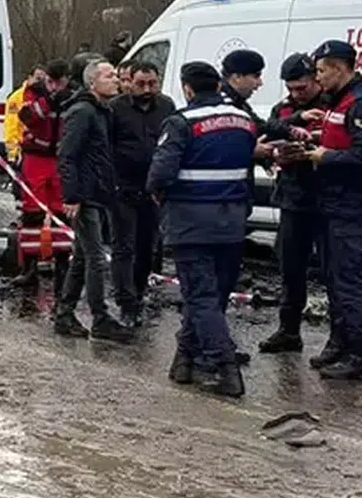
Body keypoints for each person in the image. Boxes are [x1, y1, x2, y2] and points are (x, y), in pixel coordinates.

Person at [148, 61, 256, 397]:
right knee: (214, 296)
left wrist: (159, 195)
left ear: (187, 88)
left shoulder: (181, 122)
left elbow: (160, 174)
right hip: (233, 220)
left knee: (200, 296)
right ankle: (184, 359)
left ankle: (225, 367)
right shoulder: (243, 120)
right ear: (218, 85)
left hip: (191, 221)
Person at [53, 60, 134, 342]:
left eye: (115, 75)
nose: (116, 80)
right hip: (84, 196)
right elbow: (67, 155)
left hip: (97, 193)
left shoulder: (102, 111)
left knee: (83, 257)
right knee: (96, 258)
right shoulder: (83, 112)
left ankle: (64, 313)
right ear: (92, 83)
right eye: (109, 76)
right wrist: (72, 196)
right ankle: (100, 317)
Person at [259, 53, 328, 355]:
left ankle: (341, 339)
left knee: (334, 271)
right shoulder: (284, 109)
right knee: (290, 267)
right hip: (293, 198)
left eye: (302, 88)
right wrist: (275, 155)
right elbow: (268, 131)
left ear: (316, 79)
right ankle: (288, 330)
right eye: (291, 89)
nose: (297, 94)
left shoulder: (331, 104)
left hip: (328, 201)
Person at [302, 40, 362, 377]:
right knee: (334, 278)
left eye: (322, 71)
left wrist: (327, 157)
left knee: (350, 281)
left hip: (352, 206)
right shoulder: (337, 100)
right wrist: (316, 142)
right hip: (331, 204)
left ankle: (357, 354)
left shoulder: (358, 102)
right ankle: (340, 341)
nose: (318, 78)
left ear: (339, 69)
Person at [108, 62, 176, 325]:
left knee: (147, 247)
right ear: (130, 82)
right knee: (124, 247)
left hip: (153, 189)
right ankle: (126, 302)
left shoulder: (166, 107)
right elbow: (107, 145)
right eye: (141, 84)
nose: (147, 89)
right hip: (123, 187)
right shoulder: (117, 108)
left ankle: (138, 292)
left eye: (152, 84)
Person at [15, 59, 74, 283]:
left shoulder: (74, 97)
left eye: (59, 82)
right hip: (35, 158)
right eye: (51, 82)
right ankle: (29, 266)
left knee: (61, 211)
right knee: (32, 212)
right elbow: (26, 117)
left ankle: (62, 263)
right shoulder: (34, 93)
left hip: (60, 159)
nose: (54, 87)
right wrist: (48, 101)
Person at [4, 65, 46, 164]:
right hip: (22, 149)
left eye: (43, 80)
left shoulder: (45, 97)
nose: (40, 83)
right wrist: (12, 154)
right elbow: (11, 127)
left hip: (40, 149)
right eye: (38, 78)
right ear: (29, 78)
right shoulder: (16, 99)